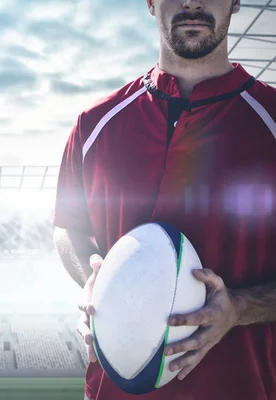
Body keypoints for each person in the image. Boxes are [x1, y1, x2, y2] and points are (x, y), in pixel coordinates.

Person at [52, 0, 276, 399]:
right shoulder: (94, 124)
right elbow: (70, 229)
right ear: (152, 2)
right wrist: (93, 280)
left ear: (237, 1)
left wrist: (239, 308)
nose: (192, 3)